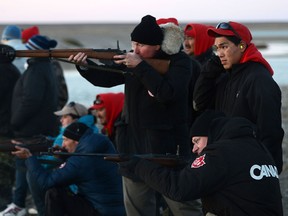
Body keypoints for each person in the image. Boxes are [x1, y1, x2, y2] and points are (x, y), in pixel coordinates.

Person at [68, 15, 202, 216]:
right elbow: (105, 78)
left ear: (157, 46)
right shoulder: (134, 58)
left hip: (166, 149)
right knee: (137, 210)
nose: (136, 49)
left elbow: (168, 93)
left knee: (184, 207)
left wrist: (140, 67)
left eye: (141, 44)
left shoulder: (180, 63)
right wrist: (86, 65)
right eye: (134, 43)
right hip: (133, 147)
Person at [118, 110, 283, 216]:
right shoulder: (257, 147)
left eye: (197, 141)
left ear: (210, 134)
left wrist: (138, 165)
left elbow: (179, 189)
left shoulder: (220, 153)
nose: (195, 149)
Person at [193, 21, 284, 174]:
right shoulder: (225, 76)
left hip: (251, 168)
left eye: (224, 46)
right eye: (217, 48)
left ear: (241, 46)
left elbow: (270, 132)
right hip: (227, 162)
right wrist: (209, 71)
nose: (219, 53)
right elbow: (199, 104)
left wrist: (265, 171)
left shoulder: (259, 79)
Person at [12, 122, 125, 216]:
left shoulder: (81, 161)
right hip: (114, 209)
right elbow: (86, 167)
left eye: (65, 140)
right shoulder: (99, 144)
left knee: (54, 193)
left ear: (76, 141)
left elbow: (45, 182)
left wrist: (29, 158)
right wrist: (64, 156)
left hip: (99, 211)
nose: (63, 144)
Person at [0, 35, 59, 216]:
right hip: (34, 127)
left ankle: (20, 204)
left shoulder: (36, 71)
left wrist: (15, 121)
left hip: (31, 128)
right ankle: (20, 203)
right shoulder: (42, 68)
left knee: (24, 165)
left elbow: (31, 100)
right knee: (25, 165)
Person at [27, 101, 99, 216]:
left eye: (65, 116)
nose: (61, 120)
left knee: (33, 173)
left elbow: (47, 164)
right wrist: (48, 140)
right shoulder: (92, 130)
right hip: (88, 192)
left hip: (75, 191)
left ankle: (42, 212)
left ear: (76, 118)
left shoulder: (70, 133)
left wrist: (31, 155)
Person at [21, 27, 69, 110]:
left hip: (48, 114)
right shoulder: (34, 64)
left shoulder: (51, 64)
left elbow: (62, 94)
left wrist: (54, 112)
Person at [0, 44, 21, 211]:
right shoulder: (12, 69)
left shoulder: (3, 72)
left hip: (4, 129)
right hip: (9, 126)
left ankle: (4, 206)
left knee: (3, 173)